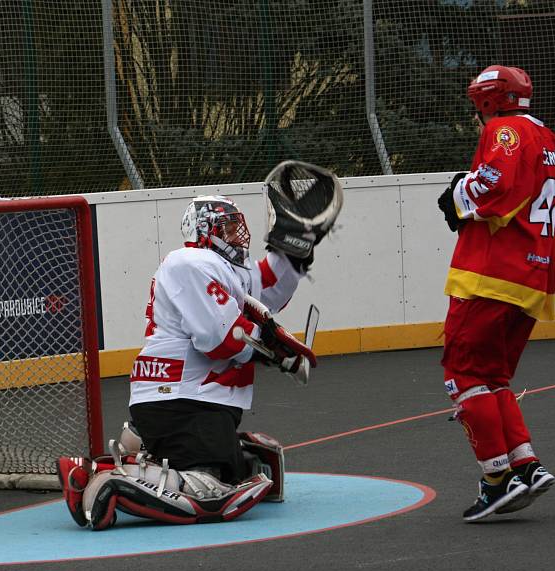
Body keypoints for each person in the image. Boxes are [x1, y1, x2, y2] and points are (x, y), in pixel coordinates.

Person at [58, 168, 342, 529]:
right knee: (212, 493)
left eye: (236, 226)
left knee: (239, 468)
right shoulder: (190, 261)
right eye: (225, 227)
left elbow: (271, 287)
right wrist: (274, 349)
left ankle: (109, 464)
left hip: (184, 399)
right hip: (183, 399)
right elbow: (220, 339)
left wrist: (297, 242)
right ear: (203, 230)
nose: (236, 235)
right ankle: (115, 485)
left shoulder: (223, 268)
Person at [437, 65, 555, 522]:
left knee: (463, 373)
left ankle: (497, 480)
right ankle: (525, 465)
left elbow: (496, 186)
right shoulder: (548, 138)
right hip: (533, 277)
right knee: (493, 377)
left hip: (490, 276)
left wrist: (458, 194)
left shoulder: (505, 130)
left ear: (489, 102)